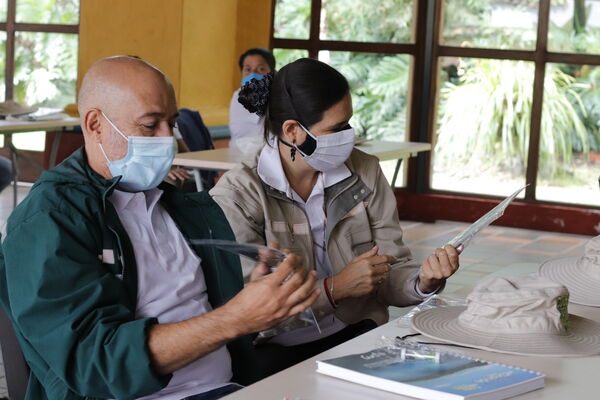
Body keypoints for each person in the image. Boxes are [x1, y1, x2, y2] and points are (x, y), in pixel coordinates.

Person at [0, 56, 319, 400]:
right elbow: (94, 362)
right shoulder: (50, 220)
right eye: (151, 125)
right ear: (95, 125)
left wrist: (257, 297)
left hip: (228, 386)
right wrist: (235, 318)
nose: (169, 139)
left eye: (171, 122)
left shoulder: (175, 203)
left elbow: (194, 309)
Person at [210, 58, 461, 373]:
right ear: (292, 131)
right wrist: (334, 289)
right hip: (275, 351)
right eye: (337, 128)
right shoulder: (238, 194)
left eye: (349, 123)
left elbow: (389, 270)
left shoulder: (364, 171)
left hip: (356, 334)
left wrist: (422, 281)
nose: (349, 136)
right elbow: (249, 311)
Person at [228, 47, 275, 151]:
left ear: (271, 72)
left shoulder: (280, 97)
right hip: (236, 155)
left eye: (260, 69)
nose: (253, 74)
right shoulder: (237, 97)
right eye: (248, 69)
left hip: (268, 157)